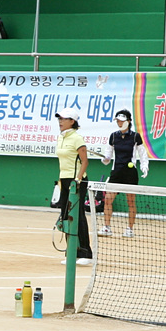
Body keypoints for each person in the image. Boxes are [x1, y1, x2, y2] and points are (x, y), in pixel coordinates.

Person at [96, 109, 148, 238]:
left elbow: (142, 153)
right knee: (108, 200)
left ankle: (130, 229)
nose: (119, 123)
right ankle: (107, 227)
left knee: (130, 202)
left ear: (129, 121)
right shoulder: (113, 136)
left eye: (122, 121)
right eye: (118, 121)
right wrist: (105, 159)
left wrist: (144, 166)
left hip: (130, 173)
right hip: (116, 172)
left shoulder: (135, 136)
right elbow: (108, 155)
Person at [54, 107, 92, 266]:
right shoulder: (60, 138)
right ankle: (72, 252)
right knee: (66, 215)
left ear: (72, 121)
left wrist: (77, 180)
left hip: (77, 181)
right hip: (64, 179)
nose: (60, 122)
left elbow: (85, 161)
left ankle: (85, 253)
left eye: (64, 119)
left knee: (78, 215)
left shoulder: (77, 138)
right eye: (59, 119)